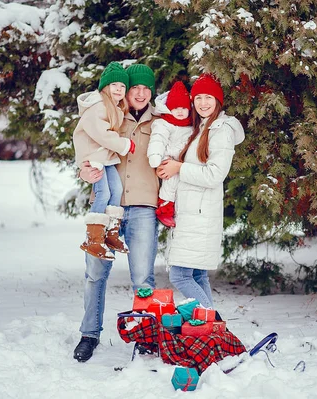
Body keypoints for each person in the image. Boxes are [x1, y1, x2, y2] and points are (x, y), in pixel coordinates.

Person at [73, 63, 159, 362]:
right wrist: (84, 173)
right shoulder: (110, 115)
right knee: (95, 274)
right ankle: (89, 334)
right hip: (108, 207)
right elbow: (88, 151)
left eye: (145, 88)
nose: (139, 93)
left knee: (143, 278)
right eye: (134, 87)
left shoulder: (160, 122)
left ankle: (146, 338)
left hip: (144, 207)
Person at [157, 73, 245, 308]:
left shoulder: (221, 130)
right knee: (196, 276)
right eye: (198, 98)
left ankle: (213, 325)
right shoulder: (201, 127)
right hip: (192, 213)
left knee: (180, 276)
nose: (203, 103)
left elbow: (215, 175)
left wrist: (179, 168)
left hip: (200, 215)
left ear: (218, 101)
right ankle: (210, 331)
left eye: (209, 98)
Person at [73, 61, 135, 260]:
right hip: (94, 156)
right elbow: (101, 134)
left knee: (116, 190)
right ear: (105, 87)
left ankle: (111, 234)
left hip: (104, 156)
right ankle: (93, 239)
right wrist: (124, 144)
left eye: (122, 86)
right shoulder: (98, 106)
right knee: (104, 192)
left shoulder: (114, 107)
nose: (119, 89)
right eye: (114, 85)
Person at [147, 81, 193, 228]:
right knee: (171, 180)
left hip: (184, 162)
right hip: (167, 158)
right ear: (169, 109)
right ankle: (164, 207)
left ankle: (179, 207)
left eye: (184, 108)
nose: (180, 111)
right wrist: (155, 156)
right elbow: (157, 139)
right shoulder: (164, 123)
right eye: (176, 108)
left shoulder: (192, 124)